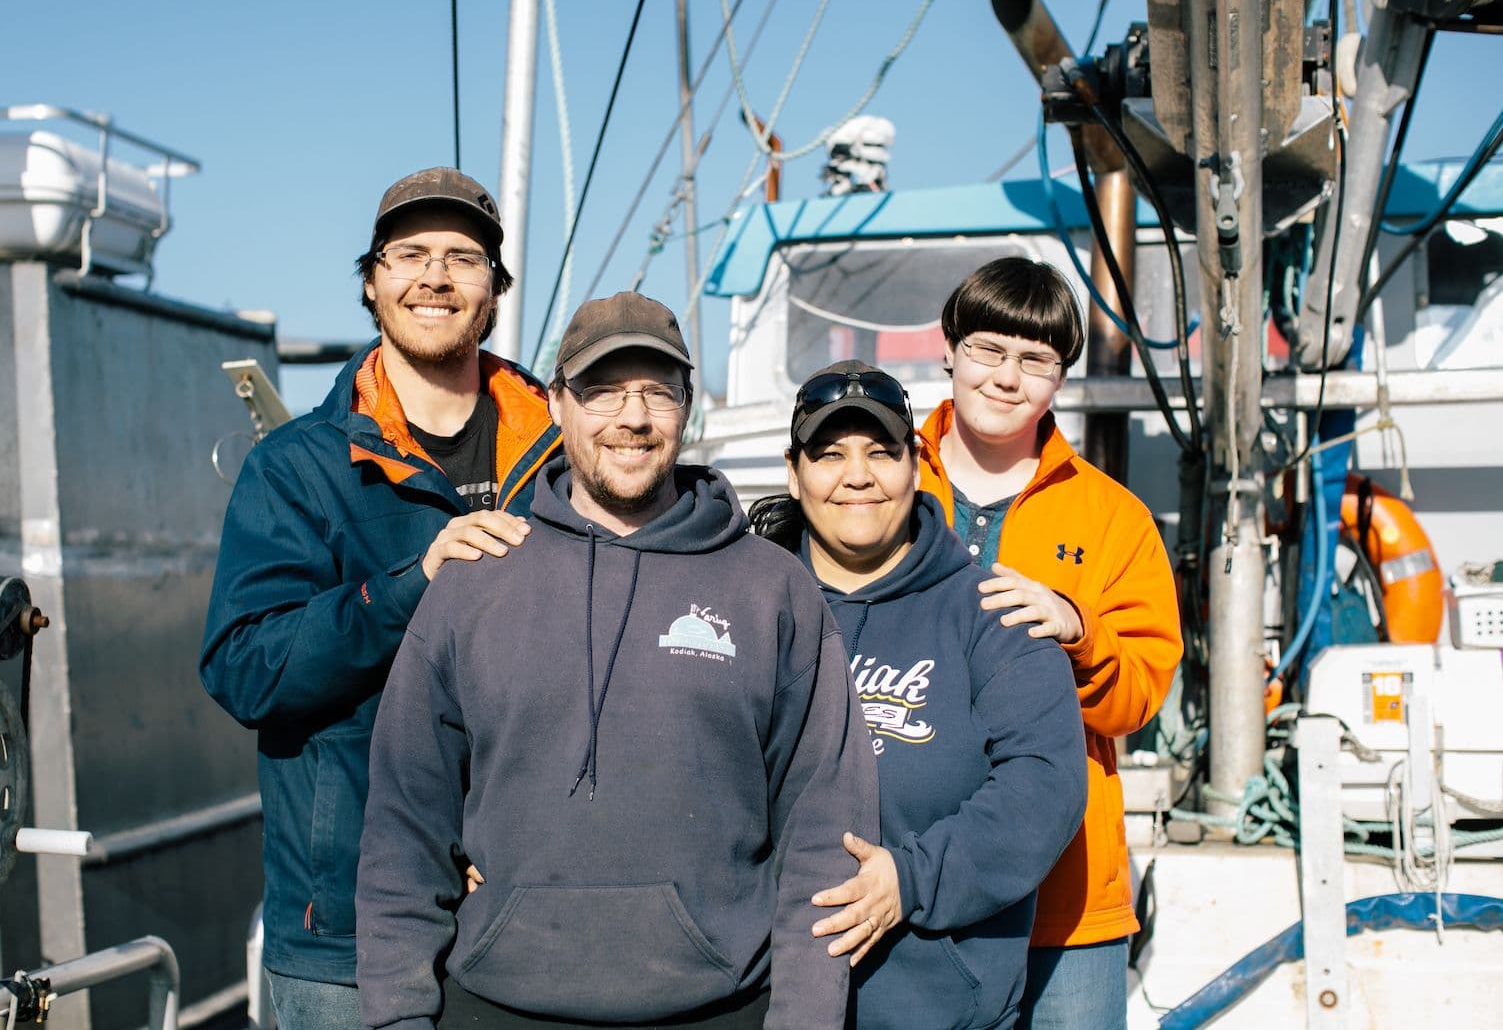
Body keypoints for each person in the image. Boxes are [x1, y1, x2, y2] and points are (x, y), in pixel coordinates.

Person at [355, 292, 878, 1030]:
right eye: (602, 390)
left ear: (687, 407)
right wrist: (397, 1018)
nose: (632, 417)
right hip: (495, 1006)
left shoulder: (771, 587)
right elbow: (404, 827)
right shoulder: (476, 579)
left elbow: (823, 830)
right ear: (558, 404)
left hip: (723, 1008)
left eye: (657, 391)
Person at [200, 167, 561, 1029]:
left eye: (462, 258)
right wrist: (411, 588)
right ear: (371, 282)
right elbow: (247, 670)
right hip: (349, 938)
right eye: (408, 255)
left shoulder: (563, 456)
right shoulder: (295, 467)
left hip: (539, 914)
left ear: (496, 289)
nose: (434, 277)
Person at [748, 360, 1088, 1030]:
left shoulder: (993, 613)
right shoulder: (746, 611)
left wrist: (910, 880)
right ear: (793, 473)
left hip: (939, 1007)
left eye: (881, 452)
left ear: (914, 466)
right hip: (762, 1002)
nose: (856, 476)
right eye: (829, 455)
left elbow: (1044, 785)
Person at [916, 258, 1183, 1029]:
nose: (1006, 378)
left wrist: (1079, 629)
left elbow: (1137, 699)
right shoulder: (878, 483)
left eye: (1035, 359)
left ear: (1059, 377)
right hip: (899, 875)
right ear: (949, 351)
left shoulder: (1113, 517)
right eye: (987, 350)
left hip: (1065, 904)